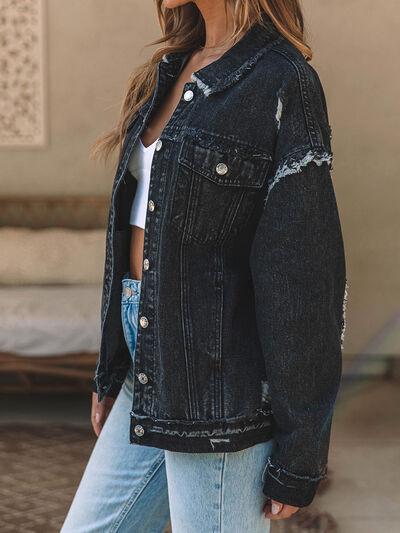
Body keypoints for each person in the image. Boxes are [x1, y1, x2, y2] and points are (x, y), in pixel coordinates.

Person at [62, 1, 347, 531]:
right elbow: (129, 229)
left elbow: (304, 277)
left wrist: (301, 448)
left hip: (220, 381)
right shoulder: (170, 66)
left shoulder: (283, 82)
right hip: (146, 356)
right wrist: (112, 367)